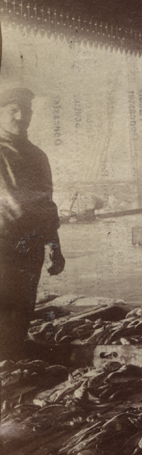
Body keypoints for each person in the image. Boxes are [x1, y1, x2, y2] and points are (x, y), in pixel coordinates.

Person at [0, 88, 65, 361]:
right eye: (12, 109)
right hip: (2, 243)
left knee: (24, 305)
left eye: (25, 110)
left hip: (32, 245)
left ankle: (12, 358)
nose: (20, 115)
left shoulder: (38, 156)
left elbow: (46, 202)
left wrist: (55, 246)